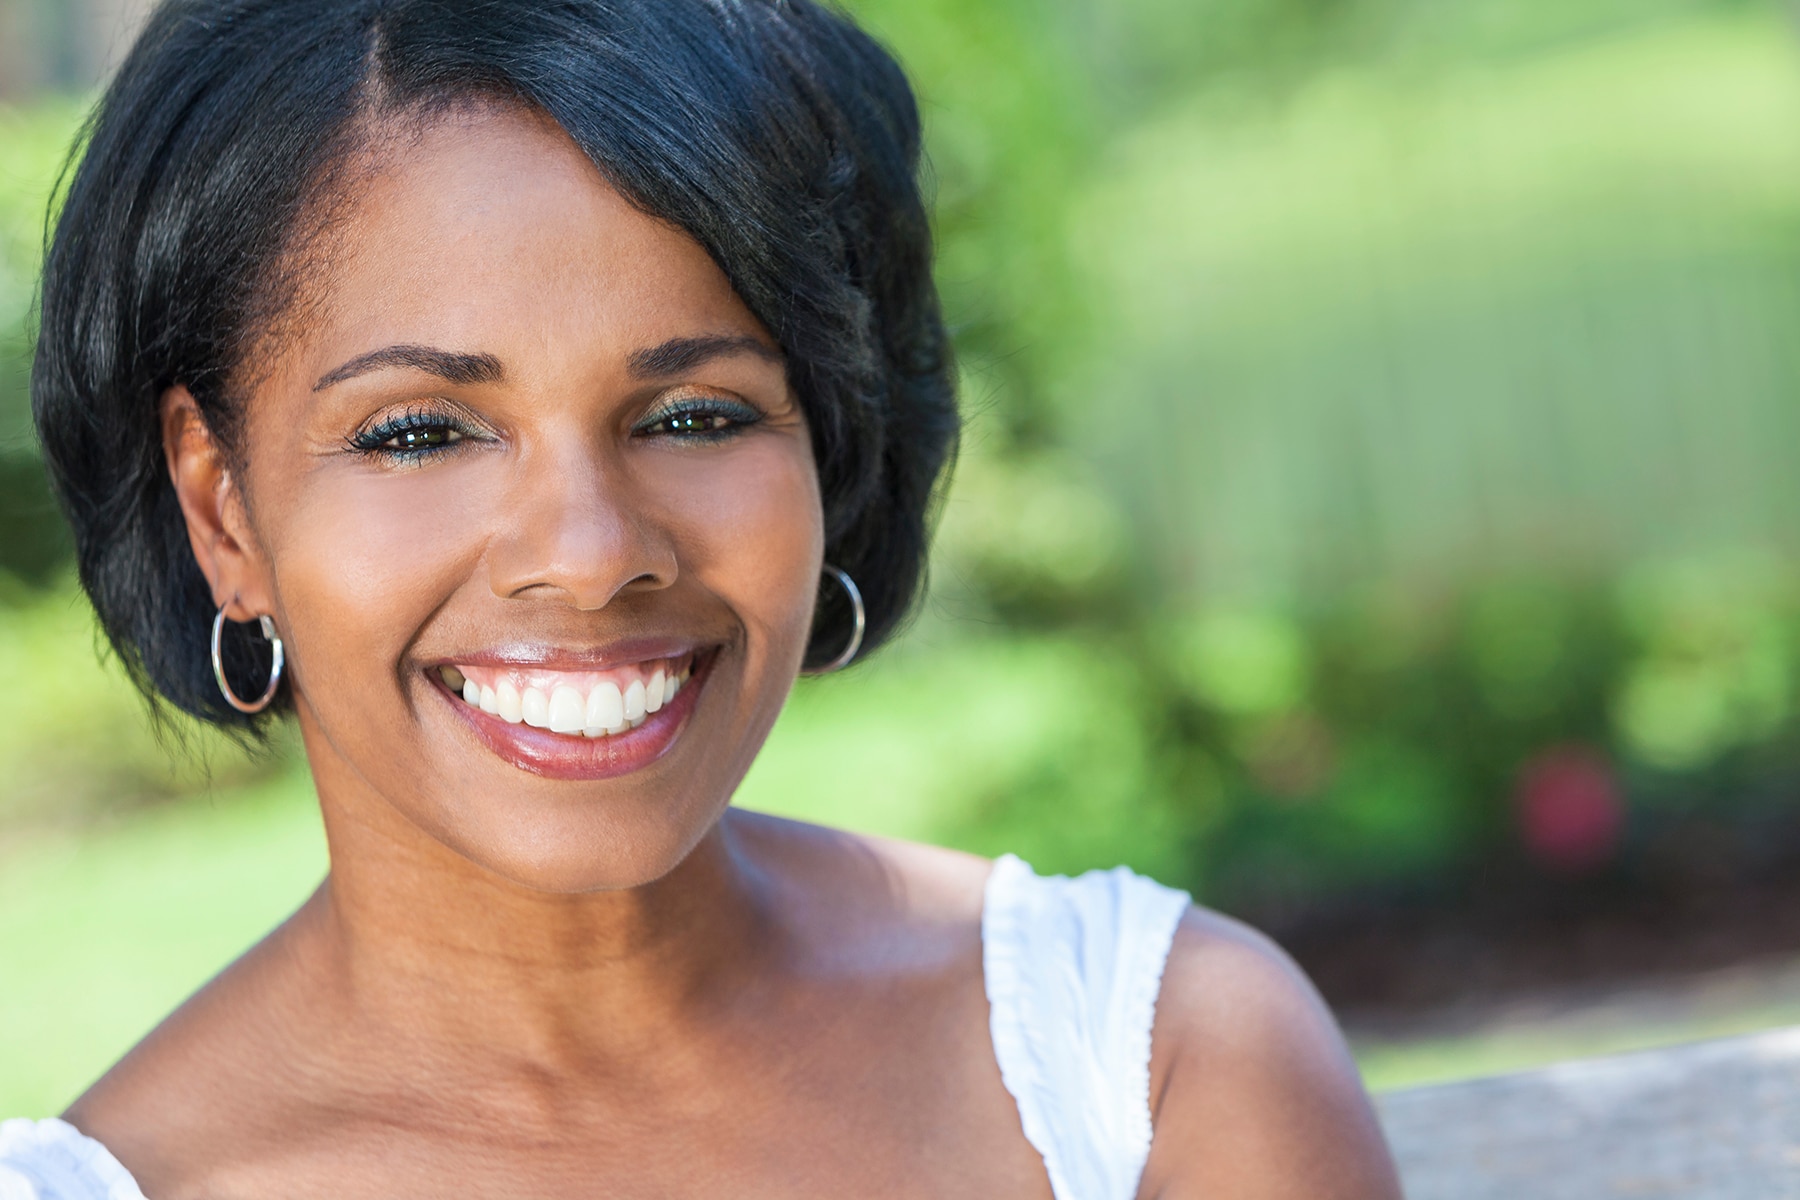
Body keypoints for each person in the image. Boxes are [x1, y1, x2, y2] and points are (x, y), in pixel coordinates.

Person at [0, 1, 1403, 1196]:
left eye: (694, 415)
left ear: (828, 433)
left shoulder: (1149, 1058)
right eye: (420, 430)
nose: (595, 552)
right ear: (220, 508)